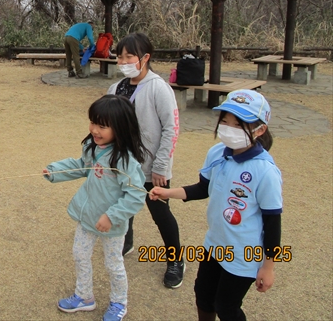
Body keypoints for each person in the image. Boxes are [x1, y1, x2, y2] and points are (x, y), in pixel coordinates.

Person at [150, 90, 281, 321]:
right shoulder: (217, 153)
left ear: (260, 130)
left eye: (238, 125)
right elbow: (203, 188)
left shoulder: (265, 171)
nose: (228, 128)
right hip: (215, 245)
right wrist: (167, 192)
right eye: (225, 121)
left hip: (244, 254)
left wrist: (268, 266)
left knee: (226, 307)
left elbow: (272, 222)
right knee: (203, 296)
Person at [43, 95, 149, 321]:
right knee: (80, 255)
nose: (95, 130)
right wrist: (55, 171)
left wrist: (111, 216)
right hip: (87, 217)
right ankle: (84, 296)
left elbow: (137, 195)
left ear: (120, 127)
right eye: (93, 122)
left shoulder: (124, 160)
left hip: (111, 224)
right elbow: (82, 166)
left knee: (113, 265)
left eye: (102, 126)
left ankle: (119, 302)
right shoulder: (93, 147)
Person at [106, 33, 184, 288]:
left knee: (160, 213)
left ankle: (175, 259)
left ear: (145, 58)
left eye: (129, 56)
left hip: (152, 168)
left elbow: (171, 128)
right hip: (122, 164)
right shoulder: (116, 88)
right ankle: (126, 241)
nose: (124, 61)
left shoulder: (158, 87)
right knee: (123, 204)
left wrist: (161, 166)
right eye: (120, 56)